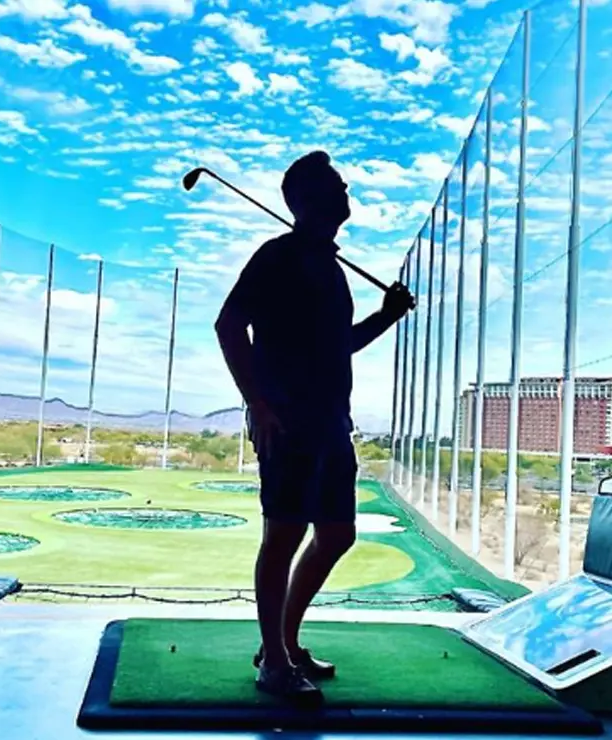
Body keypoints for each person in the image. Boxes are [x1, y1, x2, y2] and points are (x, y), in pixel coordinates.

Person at [214, 150, 414, 704]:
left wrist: (385, 317)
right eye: (333, 182)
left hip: (330, 421)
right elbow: (229, 325)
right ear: (306, 199)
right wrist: (258, 403)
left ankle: (283, 641)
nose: (345, 185)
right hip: (290, 421)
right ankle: (274, 662)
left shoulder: (327, 266)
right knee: (283, 535)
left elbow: (337, 344)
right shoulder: (278, 256)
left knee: (336, 533)